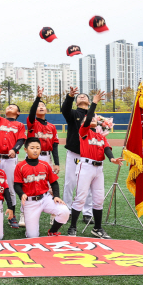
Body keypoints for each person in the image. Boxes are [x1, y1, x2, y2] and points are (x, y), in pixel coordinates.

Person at [66, 91, 124, 239]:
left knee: (98, 199)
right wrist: (94, 103)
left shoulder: (99, 135)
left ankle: (97, 228)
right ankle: (72, 227)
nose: (91, 118)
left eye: (93, 117)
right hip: (85, 167)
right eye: (88, 117)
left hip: (99, 169)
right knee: (80, 197)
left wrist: (111, 159)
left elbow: (106, 147)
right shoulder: (83, 131)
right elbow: (86, 121)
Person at [13, 138, 70, 238]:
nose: (35, 150)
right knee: (32, 236)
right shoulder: (20, 166)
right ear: (26, 150)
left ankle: (52, 231)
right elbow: (17, 184)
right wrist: (21, 194)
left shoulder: (45, 165)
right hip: (30, 202)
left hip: (45, 198)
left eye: (37, 148)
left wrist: (56, 196)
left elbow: (54, 182)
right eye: (32, 148)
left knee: (65, 211)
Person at [0, 87, 26, 227]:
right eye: (8, 106)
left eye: (13, 107)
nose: (10, 107)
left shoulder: (20, 125)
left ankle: (12, 216)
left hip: (10, 160)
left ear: (18, 112)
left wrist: (15, 149)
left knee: (9, 187)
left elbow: (21, 140)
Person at [27, 87, 60, 224]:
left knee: (50, 185)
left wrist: (56, 162)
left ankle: (54, 213)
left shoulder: (52, 127)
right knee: (30, 184)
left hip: (46, 157)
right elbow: (31, 112)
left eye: (43, 106)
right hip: (32, 156)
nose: (41, 107)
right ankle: (25, 213)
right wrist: (38, 98)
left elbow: (55, 146)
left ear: (46, 110)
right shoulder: (32, 123)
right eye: (38, 106)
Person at [62, 86, 94, 225]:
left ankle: (87, 212)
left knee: (88, 185)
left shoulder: (95, 116)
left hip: (90, 155)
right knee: (70, 183)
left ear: (89, 102)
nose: (81, 96)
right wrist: (70, 96)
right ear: (76, 102)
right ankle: (67, 210)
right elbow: (64, 110)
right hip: (74, 154)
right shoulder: (73, 114)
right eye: (78, 96)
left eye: (84, 96)